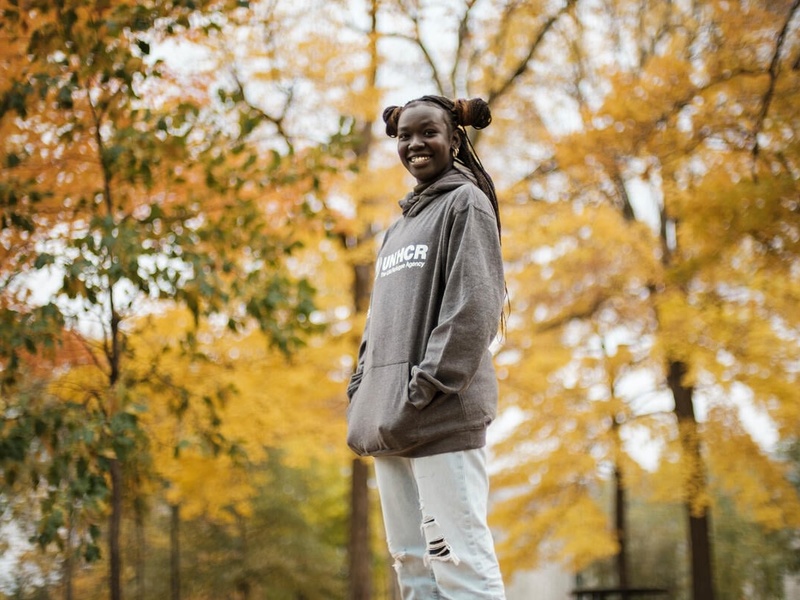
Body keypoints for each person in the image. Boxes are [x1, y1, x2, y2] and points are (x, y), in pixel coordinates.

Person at [346, 95, 506, 599]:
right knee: (413, 570)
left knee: (460, 565)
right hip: (390, 420)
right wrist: (363, 389)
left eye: (429, 132)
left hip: (440, 417)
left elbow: (473, 308)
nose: (415, 144)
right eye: (404, 136)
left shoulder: (466, 204)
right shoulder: (396, 229)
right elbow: (378, 323)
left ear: (455, 140)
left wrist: (423, 390)